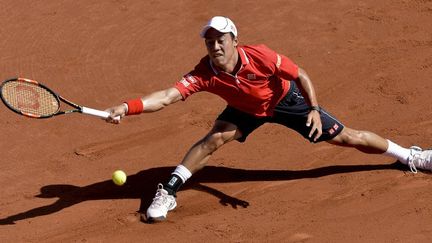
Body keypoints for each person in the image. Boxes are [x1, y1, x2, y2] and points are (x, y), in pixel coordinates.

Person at [105, 16, 432, 222]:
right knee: (215, 137)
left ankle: (409, 156)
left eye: (221, 40)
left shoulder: (259, 55)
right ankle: (170, 191)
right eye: (209, 41)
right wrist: (127, 106)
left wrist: (314, 108)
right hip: (245, 110)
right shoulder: (205, 72)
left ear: (234, 40)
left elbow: (300, 74)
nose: (215, 46)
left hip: (285, 100)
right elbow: (166, 96)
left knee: (348, 137)